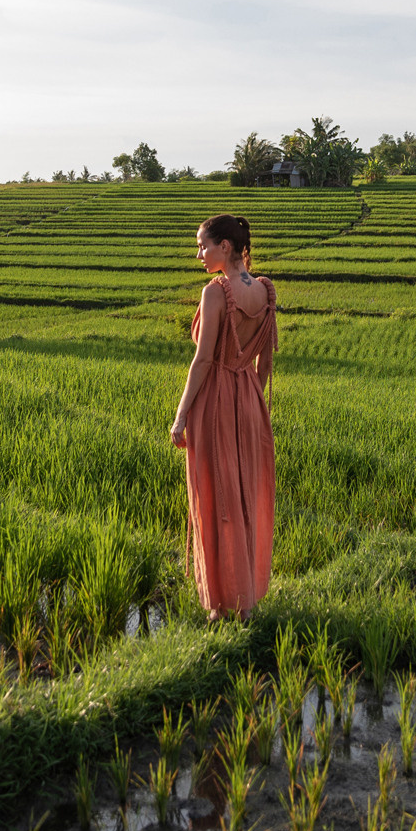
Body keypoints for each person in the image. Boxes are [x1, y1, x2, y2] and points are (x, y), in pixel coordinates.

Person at [169, 213, 277, 621]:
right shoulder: (265, 289)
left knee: (216, 498)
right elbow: (264, 360)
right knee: (245, 495)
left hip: (215, 399)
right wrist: (253, 402)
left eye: (203, 246)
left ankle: (221, 605)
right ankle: (244, 599)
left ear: (225, 247)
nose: (199, 254)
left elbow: (201, 361)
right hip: (248, 397)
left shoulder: (215, 292)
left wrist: (181, 417)